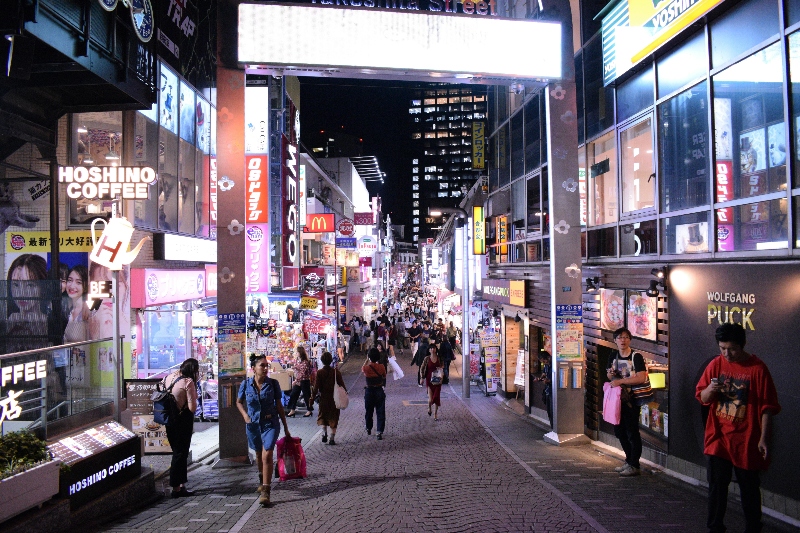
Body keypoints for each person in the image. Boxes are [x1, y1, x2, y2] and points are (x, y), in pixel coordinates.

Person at [696, 323, 780, 533]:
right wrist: (711, 389)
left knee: (749, 488)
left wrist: (763, 438)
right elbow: (702, 397)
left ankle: (753, 528)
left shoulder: (757, 369)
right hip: (719, 437)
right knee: (716, 487)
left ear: (742, 345)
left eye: (731, 349)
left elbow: (767, 407)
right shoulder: (716, 364)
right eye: (722, 348)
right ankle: (715, 527)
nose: (727, 353)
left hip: (747, 438)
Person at [237, 354, 291, 507]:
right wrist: (245, 416)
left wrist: (286, 428)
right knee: (259, 454)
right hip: (253, 424)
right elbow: (238, 402)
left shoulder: (273, 384)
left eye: (267, 365)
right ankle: (262, 479)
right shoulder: (245, 385)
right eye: (262, 365)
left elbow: (279, 406)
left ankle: (266, 491)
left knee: (267, 454)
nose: (266, 368)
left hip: (270, 423)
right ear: (253, 368)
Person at [605, 327, 647, 477]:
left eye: (626, 337)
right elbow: (609, 377)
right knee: (619, 431)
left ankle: (634, 464)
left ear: (630, 339)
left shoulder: (636, 356)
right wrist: (611, 375)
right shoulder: (613, 355)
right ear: (615, 340)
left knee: (632, 431)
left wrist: (621, 381)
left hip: (632, 400)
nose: (623, 340)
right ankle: (629, 461)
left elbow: (641, 377)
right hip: (617, 400)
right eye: (620, 337)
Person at [162, 358, 199, 498]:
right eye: (196, 371)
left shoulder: (168, 377)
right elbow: (192, 407)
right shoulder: (188, 382)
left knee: (178, 452)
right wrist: (194, 395)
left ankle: (182, 485)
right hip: (183, 422)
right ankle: (176, 488)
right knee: (180, 453)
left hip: (169, 420)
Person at [311, 351, 347, 445]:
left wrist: (312, 397)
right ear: (331, 360)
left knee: (323, 416)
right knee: (333, 417)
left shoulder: (320, 373)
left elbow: (316, 387)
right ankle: (332, 437)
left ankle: (324, 433)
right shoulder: (336, 372)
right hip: (334, 399)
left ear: (322, 361)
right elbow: (342, 385)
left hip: (324, 398)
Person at [362, 348, 387, 440]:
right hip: (379, 390)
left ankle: (368, 427)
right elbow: (384, 376)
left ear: (369, 357)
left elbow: (362, 369)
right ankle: (379, 431)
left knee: (369, 411)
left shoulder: (366, 368)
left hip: (369, 391)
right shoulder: (381, 367)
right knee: (380, 411)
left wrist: (367, 359)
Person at [63, 265, 89, 343]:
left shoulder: (88, 312)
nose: (72, 285)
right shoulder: (67, 310)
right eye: (70, 280)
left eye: (78, 282)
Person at [286, 346, 315, 417]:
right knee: (293, 394)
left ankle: (309, 410)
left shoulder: (305, 362)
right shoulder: (298, 360)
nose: (296, 353)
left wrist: (295, 381)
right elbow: (297, 367)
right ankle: (292, 410)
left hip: (304, 381)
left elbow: (302, 373)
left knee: (306, 396)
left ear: (300, 352)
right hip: (299, 381)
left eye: (297, 352)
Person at [421, 344, 444, 421]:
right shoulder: (427, 359)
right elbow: (422, 368)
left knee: (437, 397)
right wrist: (422, 378)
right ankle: (429, 407)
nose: (432, 350)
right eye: (430, 348)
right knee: (430, 399)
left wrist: (440, 368)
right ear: (429, 350)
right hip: (429, 380)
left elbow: (443, 365)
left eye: (433, 348)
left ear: (436, 349)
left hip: (437, 380)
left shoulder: (439, 358)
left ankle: (435, 414)